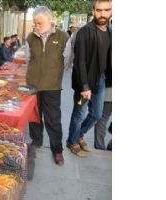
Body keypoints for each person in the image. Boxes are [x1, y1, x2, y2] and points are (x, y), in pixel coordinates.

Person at [25, 6, 72, 167]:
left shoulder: (63, 37)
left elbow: (66, 62)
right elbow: (28, 59)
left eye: (40, 23)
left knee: (53, 120)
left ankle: (57, 150)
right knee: (35, 117)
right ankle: (36, 141)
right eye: (35, 23)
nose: (37, 26)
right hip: (33, 86)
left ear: (50, 20)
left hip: (52, 86)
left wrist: (53, 75)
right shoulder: (31, 37)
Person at [67, 0, 112, 157]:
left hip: (101, 80)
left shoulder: (110, 31)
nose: (102, 14)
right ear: (93, 10)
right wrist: (84, 86)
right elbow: (80, 62)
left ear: (111, 11)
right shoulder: (85, 31)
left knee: (97, 114)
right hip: (84, 82)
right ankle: (71, 142)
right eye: (99, 10)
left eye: (106, 10)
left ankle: (78, 135)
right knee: (79, 114)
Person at [94, 86, 112, 150]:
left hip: (109, 92)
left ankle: (100, 145)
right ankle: (100, 145)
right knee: (102, 119)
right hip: (109, 93)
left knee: (102, 119)